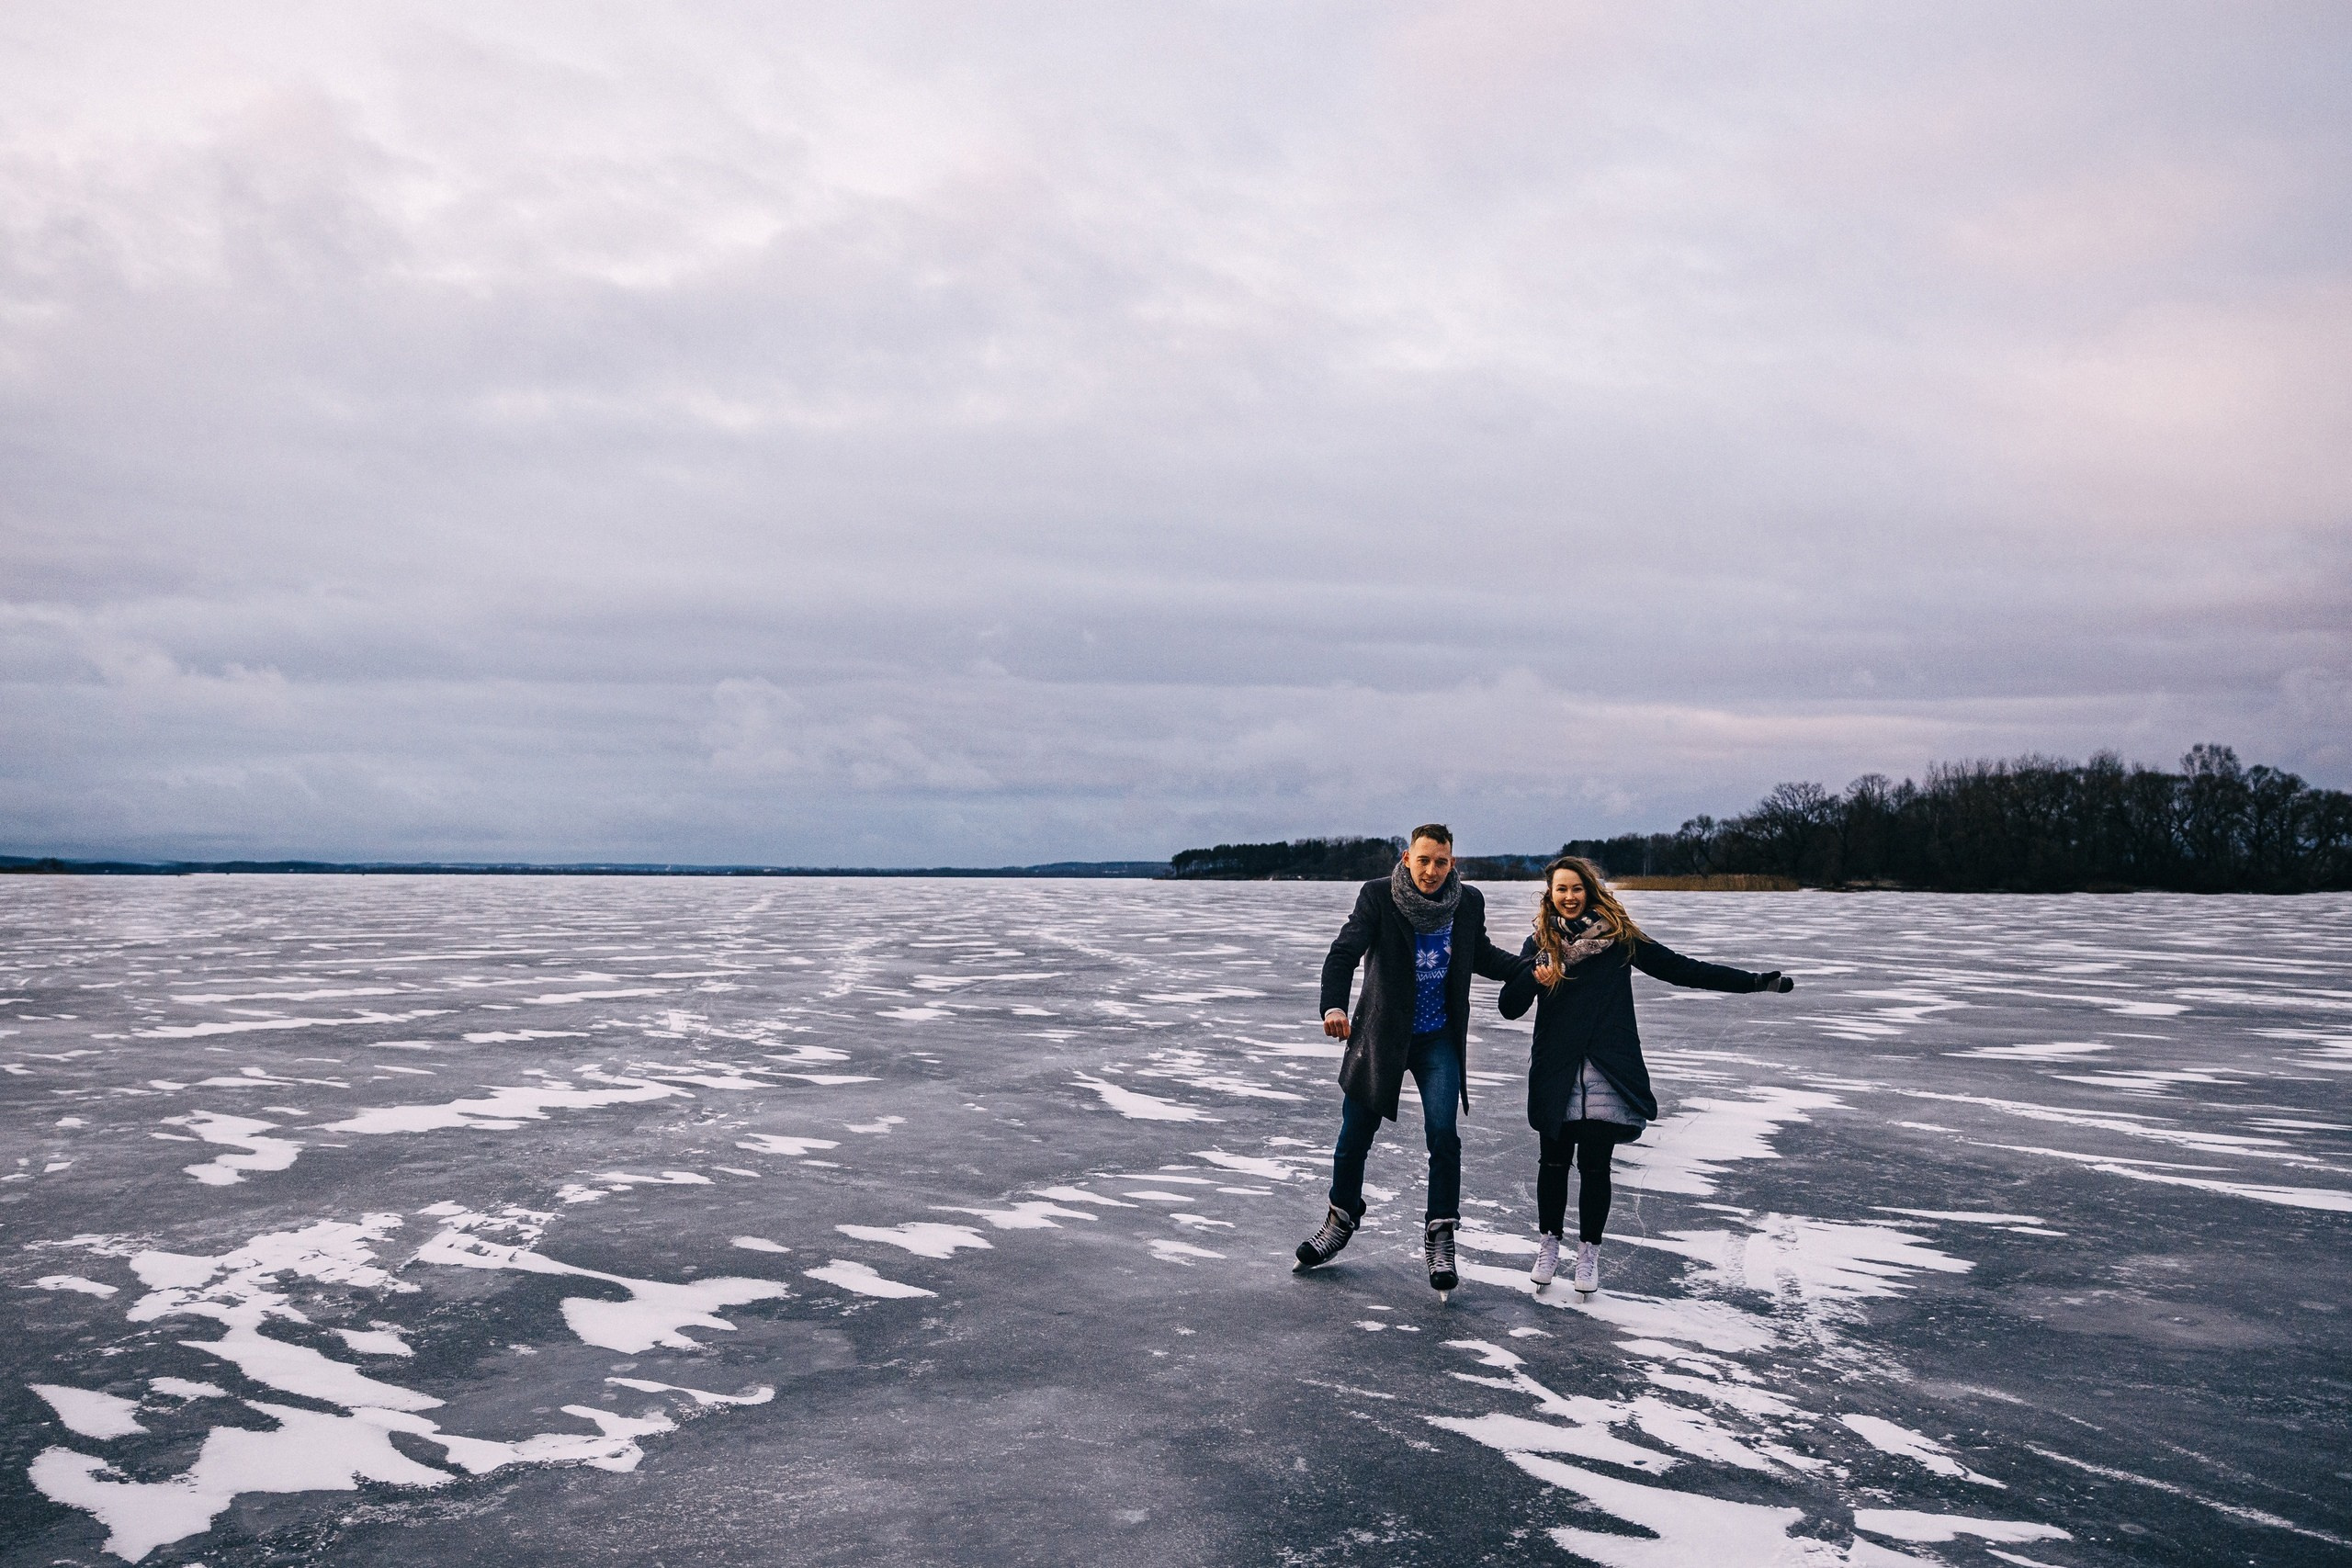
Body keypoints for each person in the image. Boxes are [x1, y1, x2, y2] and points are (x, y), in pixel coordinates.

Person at [1498, 856, 1795, 1295]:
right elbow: (1509, 1006)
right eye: (1561, 889)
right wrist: (1535, 978)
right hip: (1556, 1070)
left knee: (1596, 1166)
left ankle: (1589, 1253)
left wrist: (1753, 981)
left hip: (1606, 1069)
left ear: (1591, 891)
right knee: (1554, 1162)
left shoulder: (1620, 941)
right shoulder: (1540, 946)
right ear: (1550, 895)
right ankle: (1549, 1245)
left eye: (1577, 888)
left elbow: (1682, 969)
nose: (1569, 897)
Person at [1293, 825, 1530, 1297]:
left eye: (1441, 862)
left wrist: (1530, 968)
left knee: (1444, 1134)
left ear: (1452, 864)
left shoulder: (1468, 902)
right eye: (1423, 860)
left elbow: (1480, 954)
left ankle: (1440, 1235)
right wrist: (1333, 1006)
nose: (1431, 870)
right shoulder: (1379, 897)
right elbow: (1343, 952)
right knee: (1353, 1135)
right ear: (1407, 859)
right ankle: (1340, 1220)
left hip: (1436, 1038)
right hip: (1381, 1035)